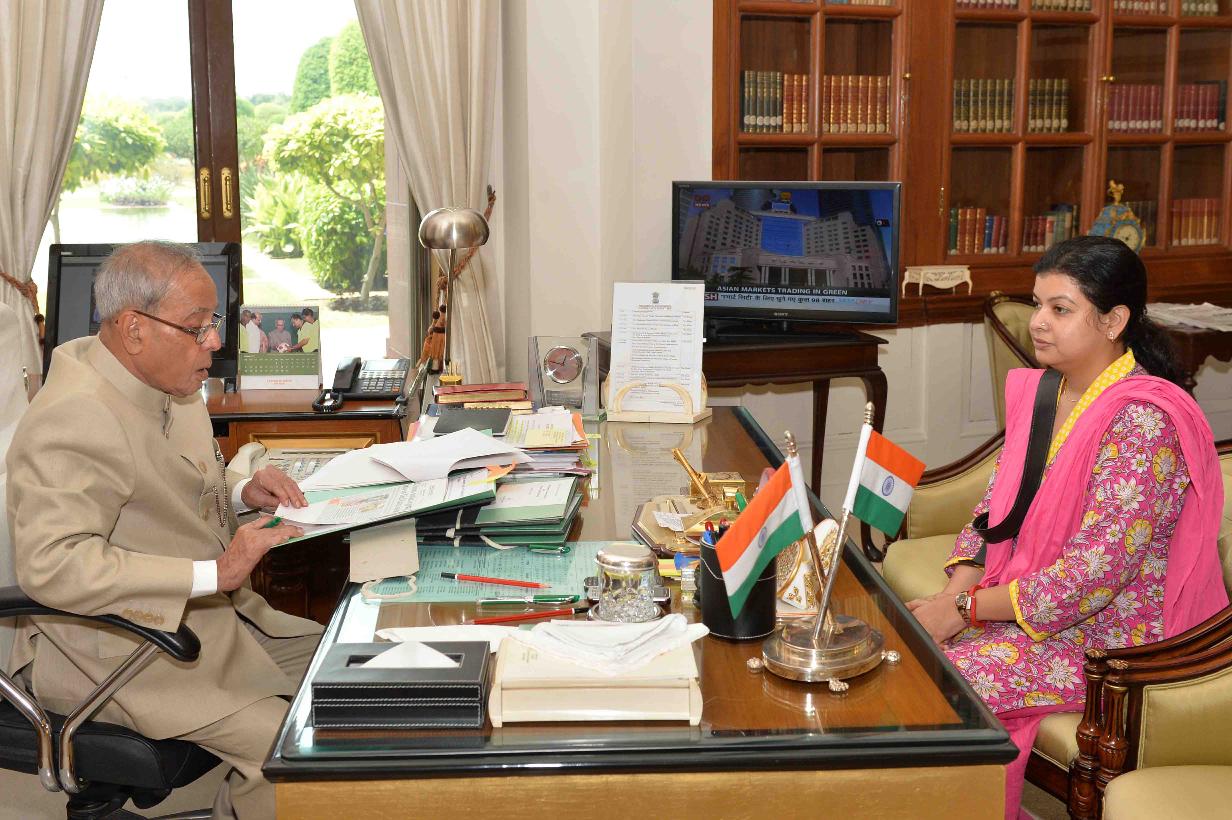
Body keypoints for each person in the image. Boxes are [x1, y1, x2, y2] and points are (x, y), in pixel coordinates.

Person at [906, 235, 1228, 819]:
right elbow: (992, 515)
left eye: (1060, 308)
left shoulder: (1142, 422)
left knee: (932, 684)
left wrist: (965, 612)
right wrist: (953, 595)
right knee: (899, 644)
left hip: (1112, 640)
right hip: (1030, 603)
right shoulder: (1048, 394)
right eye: (1037, 304)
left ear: (1114, 321)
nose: (1037, 322)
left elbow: (1093, 576)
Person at [6, 241, 324, 820]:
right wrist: (215, 572)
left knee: (356, 678)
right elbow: (53, 564)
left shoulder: (165, 379)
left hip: (210, 622)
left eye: (213, 322)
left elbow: (171, 485)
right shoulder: (75, 414)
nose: (215, 342)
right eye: (198, 327)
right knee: (293, 754)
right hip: (118, 655)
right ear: (134, 329)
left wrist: (240, 492)